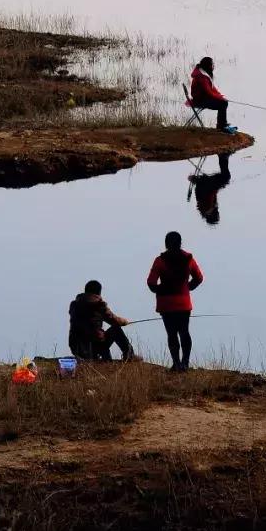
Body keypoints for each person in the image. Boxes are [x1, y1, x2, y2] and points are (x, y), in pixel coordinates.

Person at [147, 232, 203, 371]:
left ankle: (176, 364)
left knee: (171, 334)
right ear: (180, 243)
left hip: (166, 304)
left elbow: (151, 283)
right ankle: (185, 363)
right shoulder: (188, 259)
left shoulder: (160, 261)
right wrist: (187, 288)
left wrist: (160, 290)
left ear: (166, 244)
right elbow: (199, 278)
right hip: (183, 302)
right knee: (184, 331)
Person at [68, 280, 134, 361]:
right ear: (99, 292)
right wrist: (124, 322)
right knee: (116, 329)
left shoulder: (74, 305)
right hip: (94, 346)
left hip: (76, 347)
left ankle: (100, 357)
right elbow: (114, 320)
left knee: (96, 335)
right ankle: (129, 355)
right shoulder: (99, 305)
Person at [190, 56, 238, 134]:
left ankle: (222, 124)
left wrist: (221, 96)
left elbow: (213, 89)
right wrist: (221, 99)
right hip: (199, 101)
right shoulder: (202, 77)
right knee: (223, 104)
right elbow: (209, 92)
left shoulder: (203, 73)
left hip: (202, 98)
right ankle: (222, 126)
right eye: (212, 64)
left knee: (223, 102)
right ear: (208, 66)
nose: (213, 66)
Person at [189, 152, 232, 225]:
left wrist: (219, 187)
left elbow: (211, 194)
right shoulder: (204, 210)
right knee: (224, 178)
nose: (218, 213)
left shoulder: (209, 209)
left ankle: (223, 156)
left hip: (206, 185)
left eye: (217, 215)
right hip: (204, 185)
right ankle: (222, 157)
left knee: (226, 177)